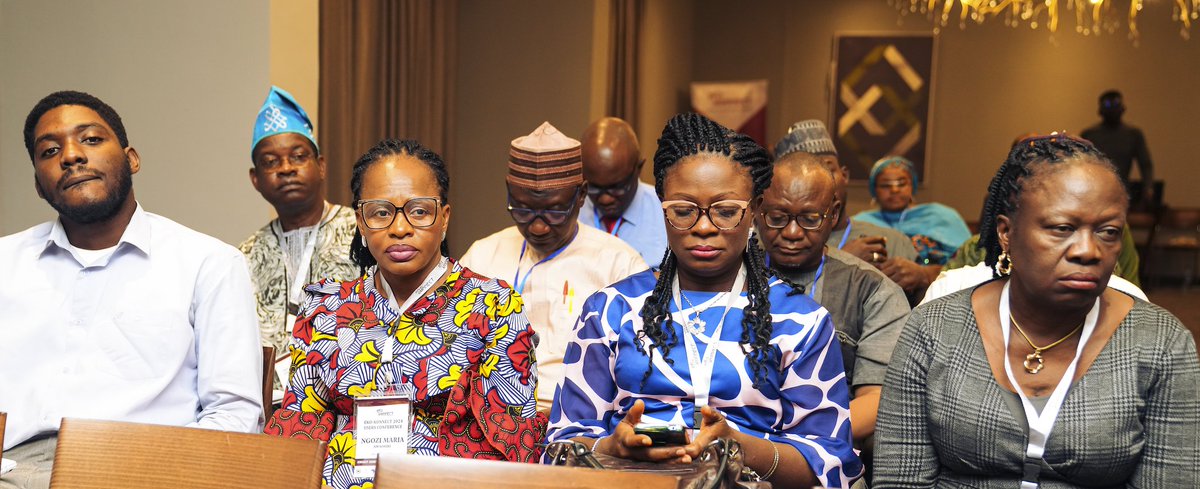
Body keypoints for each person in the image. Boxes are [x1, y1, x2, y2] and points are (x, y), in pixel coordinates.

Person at [548, 113, 862, 488]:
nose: (703, 226)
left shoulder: (799, 322)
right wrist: (611, 447)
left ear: (756, 211)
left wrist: (740, 447)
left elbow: (831, 463)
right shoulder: (611, 311)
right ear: (662, 207)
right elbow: (559, 447)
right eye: (683, 211)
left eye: (726, 211)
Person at [874, 135, 1199, 487]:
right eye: (1062, 228)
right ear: (1006, 233)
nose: (1088, 251)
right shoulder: (933, 329)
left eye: (1108, 232)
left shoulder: (1161, 342)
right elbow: (901, 479)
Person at [0, 91, 263, 489]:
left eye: (90, 139)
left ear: (131, 159)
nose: (70, 156)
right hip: (12, 470)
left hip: (142, 469)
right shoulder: (5, 263)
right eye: (50, 150)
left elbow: (234, 416)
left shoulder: (207, 263)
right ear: (39, 184)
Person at [265, 139, 545, 489]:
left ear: (444, 218)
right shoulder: (327, 309)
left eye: (419, 211)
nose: (399, 228)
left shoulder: (491, 307)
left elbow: (510, 446)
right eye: (381, 212)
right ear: (361, 223)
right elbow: (298, 433)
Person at [460, 121, 647, 412]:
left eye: (555, 211)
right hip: (488, 422)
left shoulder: (619, 265)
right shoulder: (481, 258)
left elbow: (638, 372)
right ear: (509, 192)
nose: (537, 227)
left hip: (583, 426)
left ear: (581, 195)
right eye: (522, 209)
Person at [753, 148, 909, 451]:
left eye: (810, 218)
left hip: (827, 451)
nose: (793, 232)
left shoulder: (873, 290)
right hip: (735, 444)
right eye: (778, 217)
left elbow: (877, 400)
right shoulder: (732, 273)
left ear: (833, 214)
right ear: (759, 210)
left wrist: (791, 447)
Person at [239, 86, 358, 358]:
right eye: (270, 162)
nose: (286, 168)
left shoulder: (362, 234)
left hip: (346, 393)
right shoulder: (244, 255)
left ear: (322, 166)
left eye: (298, 156)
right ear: (255, 179)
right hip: (268, 398)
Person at [775, 120, 917, 265]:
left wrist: (924, 276)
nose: (819, 185)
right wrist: (842, 259)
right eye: (803, 176)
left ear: (845, 175)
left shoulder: (894, 242)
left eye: (828, 170)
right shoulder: (779, 244)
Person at [852, 156, 971, 301]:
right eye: (885, 185)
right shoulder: (860, 223)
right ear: (874, 190)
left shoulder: (941, 216)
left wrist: (925, 273)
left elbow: (968, 262)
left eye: (901, 184)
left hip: (940, 295)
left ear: (912, 186)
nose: (894, 190)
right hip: (878, 298)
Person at [579, 117, 668, 268]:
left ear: (639, 169)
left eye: (617, 187)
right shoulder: (571, 214)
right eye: (593, 187)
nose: (605, 199)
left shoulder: (666, 215)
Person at [1081, 90, 1155, 206]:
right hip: (1094, 191)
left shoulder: (1133, 134)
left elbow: (1145, 164)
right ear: (1100, 110)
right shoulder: (1090, 134)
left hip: (1122, 191)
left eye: (1115, 104)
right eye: (1107, 105)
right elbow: (1081, 164)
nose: (1112, 109)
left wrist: (1148, 188)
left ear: (1123, 108)